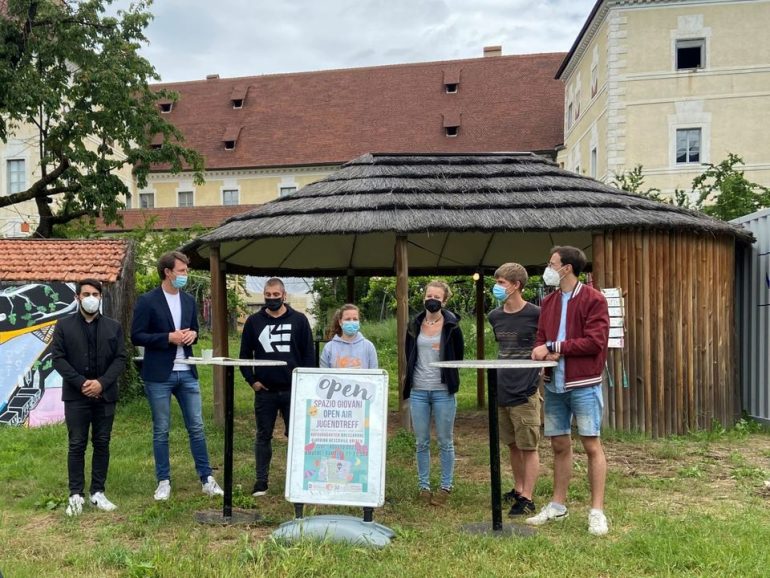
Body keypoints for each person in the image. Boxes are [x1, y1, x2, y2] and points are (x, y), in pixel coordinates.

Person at [527, 246, 610, 536]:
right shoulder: (548, 301)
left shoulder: (594, 299)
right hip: (553, 383)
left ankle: (597, 511)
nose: (548, 268)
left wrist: (553, 347)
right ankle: (557, 506)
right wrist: (540, 354)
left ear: (567, 268)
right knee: (559, 445)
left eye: (552, 264)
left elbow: (595, 342)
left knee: (591, 445)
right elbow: (540, 337)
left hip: (584, 383)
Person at [131, 251, 223, 501]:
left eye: (186, 270)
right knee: (162, 429)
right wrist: (166, 338)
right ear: (167, 272)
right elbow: (136, 336)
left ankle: (206, 478)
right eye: (181, 271)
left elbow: (194, 329)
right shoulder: (148, 301)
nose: (185, 275)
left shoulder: (189, 300)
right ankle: (164, 481)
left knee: (197, 427)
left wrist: (193, 334)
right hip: (159, 374)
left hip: (188, 372)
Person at [52, 279, 127, 516]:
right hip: (76, 395)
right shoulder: (63, 326)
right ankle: (75, 495)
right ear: (77, 298)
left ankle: (98, 492)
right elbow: (58, 358)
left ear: (101, 297)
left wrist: (101, 383)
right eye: (86, 293)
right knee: (77, 444)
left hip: (105, 395)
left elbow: (120, 359)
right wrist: (82, 383)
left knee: (102, 442)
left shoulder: (113, 326)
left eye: (95, 293)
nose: (91, 298)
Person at [239, 278, 314, 497]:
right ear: (264, 295)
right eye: (268, 295)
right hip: (265, 392)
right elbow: (244, 356)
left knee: (298, 436)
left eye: (276, 294)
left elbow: (308, 355)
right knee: (263, 436)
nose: (272, 298)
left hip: (293, 390)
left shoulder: (299, 320)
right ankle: (261, 482)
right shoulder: (253, 322)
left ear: (284, 295)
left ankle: (300, 479)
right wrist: (252, 381)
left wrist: (305, 384)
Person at [404, 280, 464, 506]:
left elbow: (459, 355)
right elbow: (408, 354)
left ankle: (446, 486)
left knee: (445, 441)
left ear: (444, 301)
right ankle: (424, 486)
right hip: (419, 390)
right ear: (423, 298)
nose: (432, 300)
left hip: (443, 391)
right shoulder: (414, 324)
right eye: (430, 295)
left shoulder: (452, 326)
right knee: (421, 441)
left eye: (437, 297)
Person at [488, 263, 542, 517]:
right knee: (512, 444)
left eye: (501, 283)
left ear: (516, 285)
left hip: (526, 390)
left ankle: (528, 498)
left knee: (528, 445)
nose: (497, 287)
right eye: (496, 282)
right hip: (502, 388)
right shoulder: (494, 316)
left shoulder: (536, 314)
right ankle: (518, 488)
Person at [320, 304, 378, 369]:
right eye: (347, 319)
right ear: (340, 322)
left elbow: (374, 375)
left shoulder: (369, 347)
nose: (352, 322)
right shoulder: (329, 348)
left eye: (355, 319)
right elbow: (324, 375)